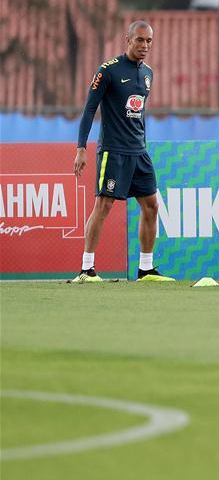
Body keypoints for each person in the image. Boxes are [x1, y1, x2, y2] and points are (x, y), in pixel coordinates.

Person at [72, 20, 174, 283]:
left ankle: (146, 269)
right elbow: (89, 110)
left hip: (139, 152)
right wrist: (81, 148)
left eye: (149, 41)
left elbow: (136, 114)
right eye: (140, 40)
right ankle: (87, 269)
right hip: (113, 151)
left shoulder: (149, 74)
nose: (145, 45)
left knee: (151, 205)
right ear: (127, 39)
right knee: (103, 205)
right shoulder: (108, 71)